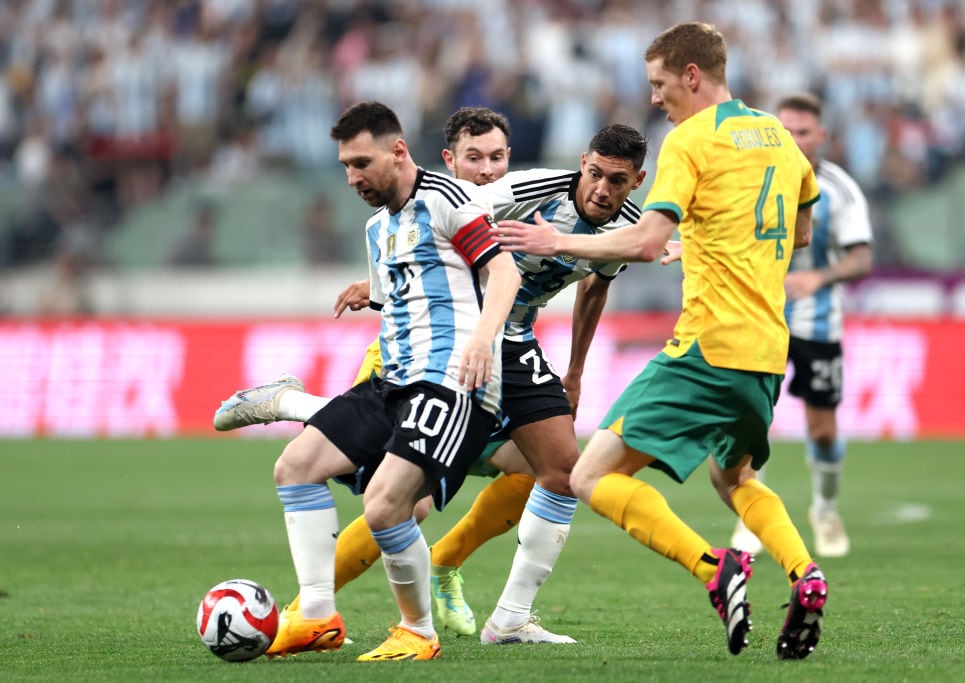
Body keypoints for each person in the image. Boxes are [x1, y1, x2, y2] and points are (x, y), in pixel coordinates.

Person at [215, 113, 648, 646]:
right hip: (438, 342)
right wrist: (379, 284)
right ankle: (315, 602)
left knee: (558, 471)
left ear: (636, 182)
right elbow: (428, 221)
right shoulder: (506, 192)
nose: (487, 172)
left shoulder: (628, 223)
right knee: (401, 500)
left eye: (497, 158)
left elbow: (595, 286)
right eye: (474, 159)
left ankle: (502, 613)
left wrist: (576, 369)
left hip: (505, 341)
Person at [492, 22, 829, 660]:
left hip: (707, 344)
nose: (655, 97)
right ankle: (804, 573)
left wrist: (557, 240)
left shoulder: (689, 140)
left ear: (692, 76)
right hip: (765, 350)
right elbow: (804, 231)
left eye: (659, 82)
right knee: (735, 477)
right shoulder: (780, 137)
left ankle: (715, 568)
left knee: (589, 474)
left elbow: (645, 242)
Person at [260, 100, 520, 662]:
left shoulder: (448, 201)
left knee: (385, 507)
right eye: (346, 167)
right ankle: (314, 614)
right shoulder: (379, 227)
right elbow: (408, 289)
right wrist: (371, 292)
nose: (352, 178)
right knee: (295, 467)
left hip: (451, 383)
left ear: (398, 150)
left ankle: (418, 632)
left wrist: (481, 339)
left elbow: (503, 270)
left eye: (361, 163)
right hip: (393, 381)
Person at [731, 93, 873, 559]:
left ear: (821, 136)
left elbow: (861, 257)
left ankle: (825, 510)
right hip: (758, 316)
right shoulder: (752, 178)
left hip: (817, 322)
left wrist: (819, 276)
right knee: (751, 421)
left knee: (823, 430)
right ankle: (751, 518)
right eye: (784, 130)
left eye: (803, 131)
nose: (793, 139)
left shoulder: (840, 190)